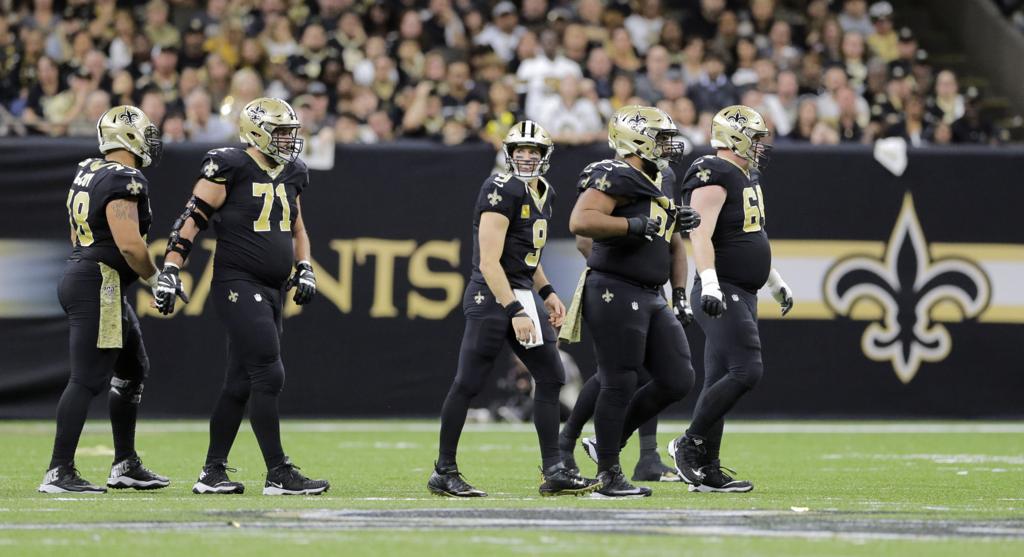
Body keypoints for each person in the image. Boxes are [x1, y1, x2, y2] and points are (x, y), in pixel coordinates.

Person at [154, 97, 329, 496]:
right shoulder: (229, 165)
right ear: (256, 130)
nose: (288, 140)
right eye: (280, 132)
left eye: (290, 132)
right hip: (237, 282)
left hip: (271, 288)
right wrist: (170, 269)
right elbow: (191, 218)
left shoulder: (293, 171)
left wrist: (305, 266)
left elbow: (298, 228)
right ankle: (278, 472)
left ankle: (211, 473)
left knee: (239, 383)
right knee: (268, 369)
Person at [428, 121, 599, 498]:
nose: (526, 156)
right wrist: (515, 309)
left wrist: (548, 291)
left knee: (552, 375)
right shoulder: (498, 188)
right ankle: (444, 470)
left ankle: (554, 468)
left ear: (545, 156)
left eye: (534, 150)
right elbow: (490, 262)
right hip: (491, 295)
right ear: (508, 153)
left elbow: (527, 255)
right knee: (469, 382)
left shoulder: (545, 192)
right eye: (520, 149)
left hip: (519, 293)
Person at [559, 106, 699, 497]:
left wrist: (680, 291)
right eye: (660, 137)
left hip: (650, 294)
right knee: (618, 381)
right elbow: (581, 222)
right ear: (636, 140)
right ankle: (608, 474)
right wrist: (631, 227)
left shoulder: (659, 178)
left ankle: (607, 444)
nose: (669, 145)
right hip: (617, 288)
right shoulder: (615, 173)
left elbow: (671, 242)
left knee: (677, 378)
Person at [39, 106, 169, 493]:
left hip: (90, 275)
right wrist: (155, 279)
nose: (150, 141)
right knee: (87, 379)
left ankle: (125, 463)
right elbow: (130, 244)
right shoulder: (125, 178)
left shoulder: (88, 170)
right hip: (101, 283)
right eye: (145, 133)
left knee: (132, 368)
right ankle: (59, 470)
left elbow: (76, 235)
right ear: (128, 138)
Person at [669, 105, 794, 493]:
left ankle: (707, 468)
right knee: (746, 370)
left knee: (719, 379)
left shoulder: (745, 174)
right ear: (736, 138)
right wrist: (709, 283)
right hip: (723, 289)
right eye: (755, 138)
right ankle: (688, 445)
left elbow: (749, 235)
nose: (760, 146)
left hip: (744, 288)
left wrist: (774, 281)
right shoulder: (714, 170)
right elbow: (701, 234)